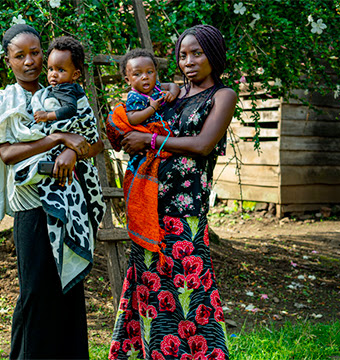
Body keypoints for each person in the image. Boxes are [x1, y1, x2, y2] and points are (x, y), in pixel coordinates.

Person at [0, 24, 103, 359]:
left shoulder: (64, 91)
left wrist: (73, 150)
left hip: (69, 205)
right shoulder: (3, 100)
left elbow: (94, 141)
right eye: (19, 55)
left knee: (68, 288)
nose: (30, 61)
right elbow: (8, 153)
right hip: (31, 206)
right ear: (8, 61)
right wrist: (58, 139)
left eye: (35, 52)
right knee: (36, 293)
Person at [108, 25, 237, 360]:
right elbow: (136, 98)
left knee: (190, 289)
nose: (189, 61)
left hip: (186, 210)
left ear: (214, 54)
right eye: (182, 55)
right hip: (150, 205)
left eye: (197, 53)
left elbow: (203, 144)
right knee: (150, 288)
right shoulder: (171, 93)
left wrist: (149, 141)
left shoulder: (222, 96)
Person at [119, 48, 180, 126]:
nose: (145, 77)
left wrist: (172, 93)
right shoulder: (135, 97)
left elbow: (172, 85)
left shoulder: (156, 87)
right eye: (137, 74)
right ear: (128, 80)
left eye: (149, 72)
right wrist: (152, 108)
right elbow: (132, 119)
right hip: (150, 132)